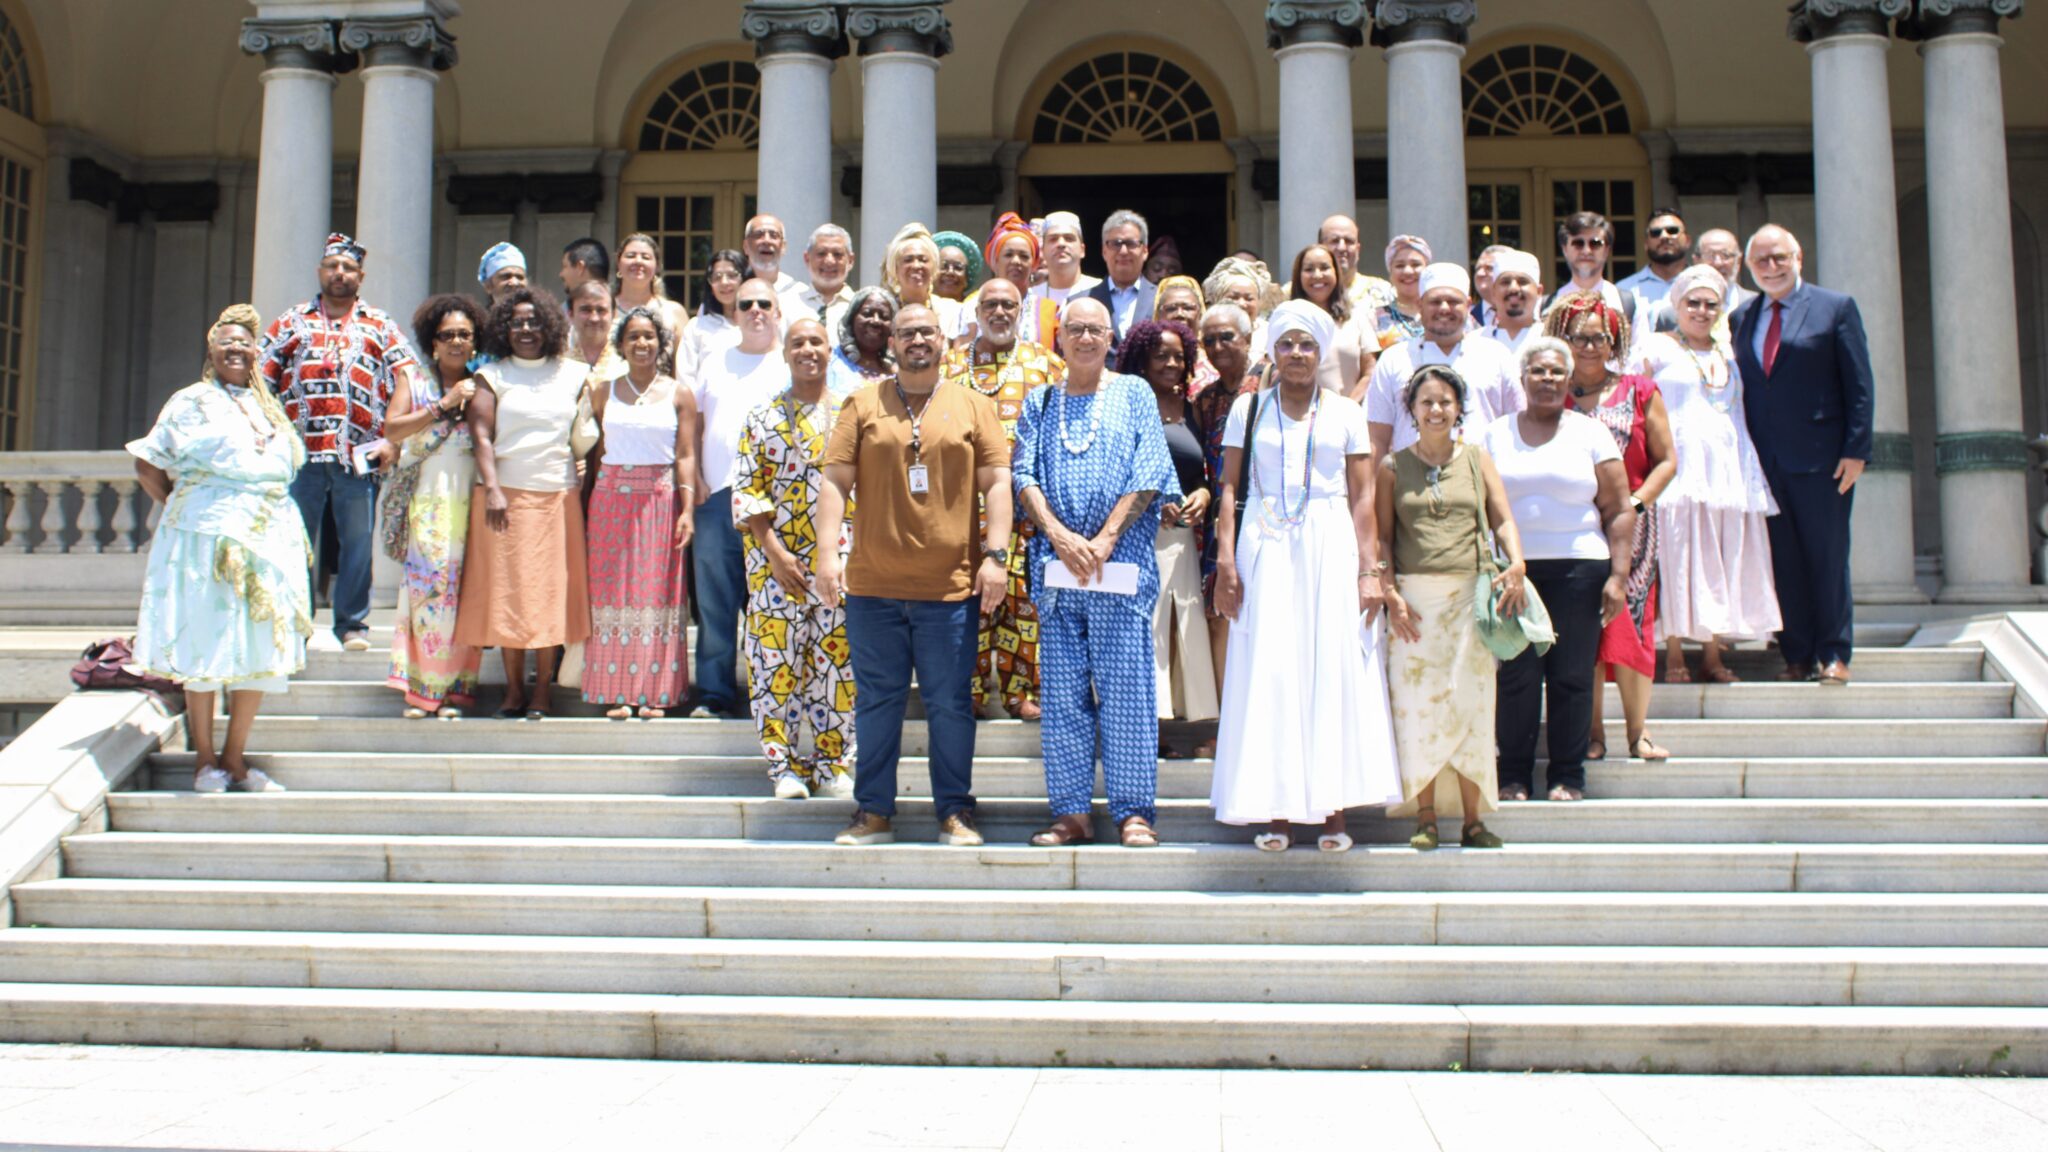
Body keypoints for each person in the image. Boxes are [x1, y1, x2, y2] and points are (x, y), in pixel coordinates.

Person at [815, 303, 1012, 848]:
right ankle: (873, 811)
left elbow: (998, 483)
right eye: (906, 334)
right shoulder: (862, 403)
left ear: (943, 341)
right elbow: (834, 482)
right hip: (874, 586)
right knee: (878, 700)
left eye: (926, 331)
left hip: (949, 588)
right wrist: (826, 554)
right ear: (893, 344)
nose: (917, 340)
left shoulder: (974, 405)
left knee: (950, 702)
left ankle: (954, 811)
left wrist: (996, 558)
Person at [1209, 301, 1402, 852]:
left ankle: (1333, 810)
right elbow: (1229, 489)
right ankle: (1277, 810)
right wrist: (1225, 561)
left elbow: (1364, 496)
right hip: (1264, 542)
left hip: (1330, 540)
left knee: (1329, 664)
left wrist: (1371, 571)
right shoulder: (1248, 408)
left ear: (1321, 354)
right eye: (1287, 343)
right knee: (1272, 668)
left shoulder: (1346, 411)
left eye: (1307, 345)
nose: (1297, 354)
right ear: (1273, 350)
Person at [1013, 297, 1180, 848]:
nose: (1085, 337)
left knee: (1128, 693)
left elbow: (1151, 469)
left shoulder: (1133, 394)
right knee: (1062, 697)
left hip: (1121, 568)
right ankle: (1072, 813)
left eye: (1096, 329)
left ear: (1111, 337)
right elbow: (1023, 475)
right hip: (1058, 572)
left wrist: (1105, 539)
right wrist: (1061, 538)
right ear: (1059, 337)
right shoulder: (1040, 402)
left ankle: (1134, 812)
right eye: (1075, 328)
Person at [130, 304, 311, 793]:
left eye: (245, 342)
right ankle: (204, 759)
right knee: (205, 640)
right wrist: (180, 508)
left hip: (268, 531)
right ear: (211, 349)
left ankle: (235, 758)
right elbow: (149, 464)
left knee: (258, 642)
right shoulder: (190, 401)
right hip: (206, 533)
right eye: (227, 341)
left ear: (257, 353)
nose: (237, 348)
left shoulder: (265, 403)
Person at [1378, 364, 1524, 849]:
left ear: (1459, 408)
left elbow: (1501, 519)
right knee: (1415, 708)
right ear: (1412, 411)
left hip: (1468, 599)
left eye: (1445, 401)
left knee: (1472, 704)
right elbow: (1382, 537)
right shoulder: (1392, 467)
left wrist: (1517, 561)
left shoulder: (1478, 459)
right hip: (1414, 604)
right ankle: (1424, 817)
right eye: (1426, 402)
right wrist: (1390, 593)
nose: (1436, 409)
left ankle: (1473, 819)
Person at [1485, 336, 1636, 802]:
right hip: (1515, 575)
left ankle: (1567, 776)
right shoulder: (1494, 433)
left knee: (1571, 675)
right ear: (1523, 378)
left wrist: (1618, 575)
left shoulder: (1590, 433)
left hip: (1579, 569)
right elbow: (1482, 504)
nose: (1547, 380)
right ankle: (1512, 776)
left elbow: (1619, 508)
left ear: (1569, 380)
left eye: (1556, 372)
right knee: (1516, 676)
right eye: (1538, 371)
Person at [258, 232, 421, 652]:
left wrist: (393, 440)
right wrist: (266, 435)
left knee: (356, 542)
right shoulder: (293, 320)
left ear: (360, 277)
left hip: (359, 453)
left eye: (348, 268)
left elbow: (409, 375)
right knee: (297, 541)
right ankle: (295, 622)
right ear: (320, 271)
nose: (340, 274)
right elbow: (260, 377)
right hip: (301, 452)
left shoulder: (378, 323)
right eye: (333, 266)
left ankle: (352, 625)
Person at [1732, 224, 1872, 686]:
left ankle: (1834, 653)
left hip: (1823, 461)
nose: (1771, 267)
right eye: (1761, 261)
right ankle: (1796, 654)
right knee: (1783, 562)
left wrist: (1856, 450)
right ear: (1749, 267)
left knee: (1827, 558)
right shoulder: (1742, 317)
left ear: (1799, 258)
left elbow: (1859, 384)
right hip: (1765, 464)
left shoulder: (1835, 308)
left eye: (1779, 258)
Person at [1629, 265, 1782, 684]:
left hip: (1727, 469)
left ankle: (1713, 654)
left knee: (1717, 558)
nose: (1701, 310)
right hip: (1677, 468)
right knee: (1677, 558)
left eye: (1710, 304)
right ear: (1676, 305)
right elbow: (1631, 401)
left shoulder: (1730, 352)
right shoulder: (1656, 347)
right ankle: (1675, 651)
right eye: (1692, 303)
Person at [1550, 291, 1677, 762]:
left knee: (1632, 625)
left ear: (1615, 340)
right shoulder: (1552, 394)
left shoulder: (1641, 390)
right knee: (1584, 631)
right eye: (1578, 337)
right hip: (1573, 527)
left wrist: (1637, 504)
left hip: (1634, 528)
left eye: (1599, 337)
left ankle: (1638, 731)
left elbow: (1666, 461)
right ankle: (1592, 733)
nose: (1588, 346)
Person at [455, 288, 594, 720]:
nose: (526, 329)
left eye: (534, 321)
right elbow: (480, 436)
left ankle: (541, 692)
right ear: (503, 328)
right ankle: (514, 691)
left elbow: (586, 437)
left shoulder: (572, 374)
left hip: (557, 496)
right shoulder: (492, 375)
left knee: (550, 596)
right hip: (504, 500)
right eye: (517, 322)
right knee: (508, 595)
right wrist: (493, 487)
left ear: (550, 325)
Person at [734, 318, 857, 799]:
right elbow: (748, 493)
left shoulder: (852, 417)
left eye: (816, 342)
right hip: (774, 567)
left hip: (838, 565)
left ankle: (831, 766)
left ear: (831, 350)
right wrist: (778, 556)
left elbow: (864, 490)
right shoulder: (760, 417)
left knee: (836, 667)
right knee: (774, 666)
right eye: (798, 343)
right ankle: (783, 767)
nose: (808, 350)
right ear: (784, 354)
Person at [941, 278, 1063, 720]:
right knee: (966, 597)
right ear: (976, 313)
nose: (999, 312)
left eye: (1008, 304)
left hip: (1028, 503)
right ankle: (970, 688)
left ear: (1021, 309)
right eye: (989, 304)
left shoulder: (1046, 364)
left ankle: (1020, 690)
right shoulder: (950, 366)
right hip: (961, 504)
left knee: (1023, 598)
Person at [583, 306, 699, 719]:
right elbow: (597, 453)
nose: (642, 343)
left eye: (649, 336)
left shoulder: (678, 392)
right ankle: (617, 692)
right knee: (612, 594)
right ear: (621, 345)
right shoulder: (603, 391)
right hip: (611, 499)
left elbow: (685, 455)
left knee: (657, 595)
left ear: (661, 343)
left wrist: (687, 509)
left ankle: (655, 694)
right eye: (633, 336)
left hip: (661, 498)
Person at [692, 278, 791, 718]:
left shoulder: (789, 365)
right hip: (716, 495)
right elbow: (694, 423)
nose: (754, 310)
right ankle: (714, 693)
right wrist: (693, 474)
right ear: (734, 313)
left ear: (777, 312)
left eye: (763, 303)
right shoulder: (714, 360)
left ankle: (771, 692)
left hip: (773, 503)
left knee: (770, 602)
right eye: (745, 303)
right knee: (715, 600)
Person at [1117, 318, 1219, 745]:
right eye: (1161, 355)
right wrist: (1147, 502)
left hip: (1181, 540)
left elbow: (1205, 472)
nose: (1172, 363)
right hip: (1137, 536)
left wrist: (1205, 496)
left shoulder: (1194, 408)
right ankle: (1144, 731)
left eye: (1179, 355)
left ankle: (1184, 730)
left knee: (1184, 630)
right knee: (1148, 631)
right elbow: (1112, 470)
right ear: (1141, 358)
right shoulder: (1123, 404)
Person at [385, 294, 486, 719]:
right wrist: (442, 406)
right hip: (429, 500)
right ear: (433, 342)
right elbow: (392, 428)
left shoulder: (484, 382)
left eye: (465, 334)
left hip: (471, 500)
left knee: (464, 595)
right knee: (430, 592)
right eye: (448, 335)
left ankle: (456, 689)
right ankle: (423, 689)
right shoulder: (415, 379)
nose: (457, 342)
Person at [1364, 263, 1523, 459]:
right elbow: (1377, 436)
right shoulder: (1394, 359)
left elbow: (1516, 425)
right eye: (1435, 302)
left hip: (1481, 481)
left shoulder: (1496, 355)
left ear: (1468, 304)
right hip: (1410, 483)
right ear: (1420, 304)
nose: (1444, 308)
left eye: (1453, 301)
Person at [1191, 302, 1266, 699]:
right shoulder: (1205, 400)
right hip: (1222, 518)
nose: (1218, 346)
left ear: (1248, 339)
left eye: (1227, 337)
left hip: (1269, 516)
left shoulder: (1270, 386)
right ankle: (1224, 725)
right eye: (1209, 340)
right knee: (1220, 615)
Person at [1288, 243, 1374, 397]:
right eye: (1309, 269)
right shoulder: (1287, 320)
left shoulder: (1356, 318)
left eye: (1324, 267)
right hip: (1299, 416)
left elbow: (1370, 371)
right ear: (1298, 276)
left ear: (1336, 272)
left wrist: (1348, 408)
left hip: (1349, 414)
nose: (1317, 275)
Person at [616, 232, 694, 371]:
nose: (638, 261)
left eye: (646, 257)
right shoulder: (604, 310)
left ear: (657, 266)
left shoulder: (674, 312)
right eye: (630, 256)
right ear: (619, 263)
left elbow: (684, 369)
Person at [1544, 211, 1637, 327]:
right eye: (1578, 243)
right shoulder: (1548, 306)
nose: (1586, 251)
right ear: (1564, 249)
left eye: (1595, 243)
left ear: (1607, 250)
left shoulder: (1628, 303)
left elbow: (1639, 345)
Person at [1024, 212, 1101, 350]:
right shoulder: (1030, 298)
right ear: (1044, 250)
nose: (1061, 244)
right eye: (1053, 239)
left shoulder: (1100, 290)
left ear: (1082, 250)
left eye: (1069, 238)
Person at [672, 247, 746, 389]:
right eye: (717, 277)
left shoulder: (758, 324)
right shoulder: (697, 327)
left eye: (732, 275)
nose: (724, 282)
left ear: (745, 278)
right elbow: (685, 378)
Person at [1083, 209, 1157, 346]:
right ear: (1104, 252)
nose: (1123, 251)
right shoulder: (1081, 301)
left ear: (1145, 251)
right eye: (1116, 244)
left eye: (1131, 243)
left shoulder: (1161, 298)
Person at [882, 222, 964, 343]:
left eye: (923, 260)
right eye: (908, 260)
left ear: (934, 268)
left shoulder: (953, 312)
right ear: (895, 269)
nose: (916, 265)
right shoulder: (884, 312)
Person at [1618, 208, 1691, 323]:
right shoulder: (1624, 290)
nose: (1664, 236)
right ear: (1646, 244)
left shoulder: (1707, 286)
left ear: (1687, 241)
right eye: (1655, 233)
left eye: (1672, 230)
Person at [829, 286, 899, 402]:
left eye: (884, 316)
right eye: (867, 314)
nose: (876, 321)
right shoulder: (830, 363)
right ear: (851, 318)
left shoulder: (899, 371)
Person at [1318, 214, 1397, 316]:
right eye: (1334, 241)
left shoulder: (1382, 292)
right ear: (1319, 247)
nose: (1342, 248)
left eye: (1349, 241)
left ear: (1358, 249)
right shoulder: (1297, 292)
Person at [1202, 256, 1275, 364]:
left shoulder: (1271, 334)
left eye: (1249, 298)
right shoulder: (1205, 333)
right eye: (1233, 297)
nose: (1241, 304)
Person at [1152, 275, 1216, 394]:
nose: (1180, 314)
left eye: (1188, 308)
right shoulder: (1147, 363)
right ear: (1158, 315)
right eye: (1171, 308)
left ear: (1200, 314)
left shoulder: (1215, 357)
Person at [1480, 249, 1545, 357]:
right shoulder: (1475, 342)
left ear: (1539, 292)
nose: (1513, 288)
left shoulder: (1551, 338)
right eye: (1505, 282)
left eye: (1522, 282)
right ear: (1493, 292)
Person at [1370, 234, 1432, 348]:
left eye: (1415, 264)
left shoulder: (1443, 312)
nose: (1408, 271)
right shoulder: (1374, 318)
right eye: (1400, 265)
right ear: (1390, 273)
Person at [793, 223, 856, 335]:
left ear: (850, 261)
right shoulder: (787, 305)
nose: (829, 261)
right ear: (807, 259)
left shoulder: (860, 307)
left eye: (837, 254)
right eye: (821, 253)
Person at [743, 213, 808, 317]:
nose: (766, 241)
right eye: (759, 235)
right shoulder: (731, 290)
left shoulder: (801, 294)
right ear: (746, 246)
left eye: (774, 235)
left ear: (783, 247)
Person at [565, 280, 624, 383]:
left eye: (601, 310)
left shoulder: (625, 359)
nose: (594, 318)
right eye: (586, 310)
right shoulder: (559, 359)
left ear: (614, 315)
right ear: (571, 315)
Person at [933, 230, 985, 303]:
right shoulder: (918, 308)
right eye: (943, 266)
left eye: (958, 267)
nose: (950, 272)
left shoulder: (976, 309)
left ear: (967, 278)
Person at [1471, 243, 1514, 328]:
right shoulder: (1466, 317)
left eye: (1489, 268)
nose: (1480, 273)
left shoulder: (1530, 315)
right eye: (1478, 268)